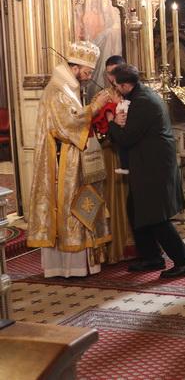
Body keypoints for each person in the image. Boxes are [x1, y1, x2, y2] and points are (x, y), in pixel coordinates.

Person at [27, 41, 112, 277]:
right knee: (70, 206)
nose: (89, 76)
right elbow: (68, 124)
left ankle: (82, 263)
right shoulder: (58, 89)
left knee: (82, 201)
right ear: (75, 67)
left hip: (72, 157)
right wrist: (95, 107)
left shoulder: (68, 86)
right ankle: (67, 266)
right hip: (62, 160)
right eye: (87, 71)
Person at [108, 64, 185, 278]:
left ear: (126, 85)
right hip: (148, 163)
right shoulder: (141, 95)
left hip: (154, 166)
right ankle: (151, 257)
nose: (116, 90)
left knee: (157, 217)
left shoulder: (143, 102)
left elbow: (127, 138)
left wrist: (112, 122)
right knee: (135, 209)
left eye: (117, 86)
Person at [96, 55, 134, 264]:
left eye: (116, 72)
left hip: (133, 152)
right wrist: (109, 124)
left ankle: (138, 245)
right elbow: (94, 129)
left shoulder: (134, 94)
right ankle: (116, 247)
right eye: (109, 74)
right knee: (114, 197)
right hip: (111, 154)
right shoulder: (101, 97)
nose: (113, 78)